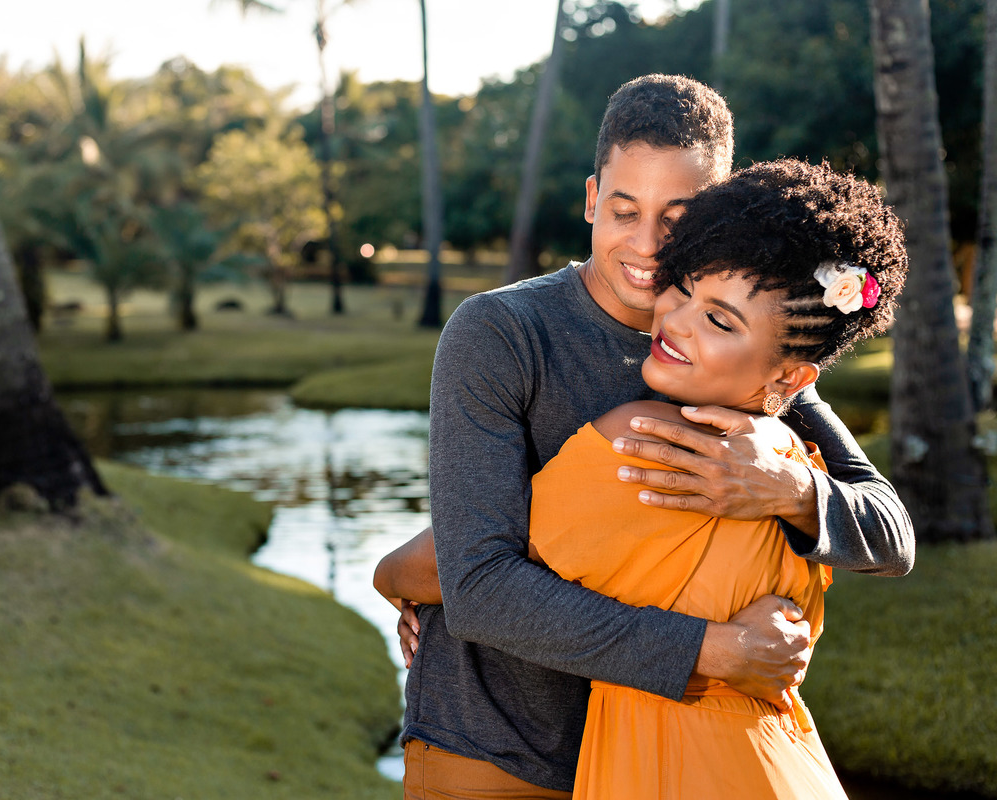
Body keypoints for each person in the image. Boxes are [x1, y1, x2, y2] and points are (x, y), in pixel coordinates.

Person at [375, 74, 914, 799]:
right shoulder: (502, 334)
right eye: (625, 210)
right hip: (495, 749)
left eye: (680, 216)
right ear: (594, 199)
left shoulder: (750, 359)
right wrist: (717, 652)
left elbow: (890, 535)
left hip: (660, 760)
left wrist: (790, 488)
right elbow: (477, 582)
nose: (650, 243)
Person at [525, 158, 906, 799]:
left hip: (685, 768)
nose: (675, 320)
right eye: (684, 287)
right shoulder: (797, 447)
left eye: (720, 321)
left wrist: (398, 584)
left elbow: (450, 567)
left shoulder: (648, 439)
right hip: (782, 766)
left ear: (789, 379)